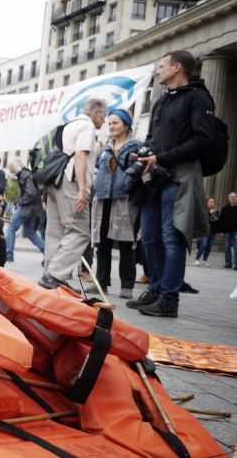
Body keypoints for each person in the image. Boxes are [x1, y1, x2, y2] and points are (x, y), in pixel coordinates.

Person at [127, 51, 213, 317]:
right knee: (150, 238)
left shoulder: (199, 98)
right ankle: (155, 290)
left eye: (161, 66)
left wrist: (160, 156)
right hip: (155, 178)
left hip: (179, 177)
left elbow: (203, 140)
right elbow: (154, 138)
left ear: (177, 68)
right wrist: (144, 151)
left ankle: (169, 299)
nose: (158, 71)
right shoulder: (162, 101)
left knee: (171, 238)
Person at [39, 98, 107, 292]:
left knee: (55, 231)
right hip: (70, 182)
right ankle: (54, 275)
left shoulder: (68, 126)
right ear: (96, 112)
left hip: (53, 182)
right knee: (80, 230)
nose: (104, 120)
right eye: (103, 115)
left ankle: (50, 276)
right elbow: (80, 157)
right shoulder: (86, 127)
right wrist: (83, 191)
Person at [90, 109, 142, 299]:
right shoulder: (104, 149)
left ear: (126, 125)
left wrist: (128, 182)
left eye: (116, 123)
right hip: (103, 200)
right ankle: (101, 282)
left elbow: (141, 169)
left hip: (125, 200)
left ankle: (127, 286)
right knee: (102, 244)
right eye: (110, 123)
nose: (111, 126)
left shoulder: (136, 146)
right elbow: (96, 170)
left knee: (127, 244)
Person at [5, 158, 45, 261]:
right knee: (29, 231)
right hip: (32, 209)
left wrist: (19, 201)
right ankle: (46, 251)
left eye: (10, 167)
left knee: (11, 227)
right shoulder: (25, 174)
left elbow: (30, 193)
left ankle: (9, 254)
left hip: (27, 208)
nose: (9, 169)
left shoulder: (24, 175)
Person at [193, 197, 219, 267]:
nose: (211, 203)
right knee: (204, 245)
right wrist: (210, 213)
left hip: (213, 231)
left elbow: (216, 220)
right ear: (207, 203)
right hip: (205, 231)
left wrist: (213, 212)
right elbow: (204, 219)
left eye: (213, 202)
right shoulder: (203, 210)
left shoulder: (215, 211)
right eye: (210, 202)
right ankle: (197, 259)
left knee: (209, 246)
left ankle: (204, 260)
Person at [221, 192, 237, 269]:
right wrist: (221, 231)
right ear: (228, 199)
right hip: (227, 231)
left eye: (234, 197)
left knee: (236, 247)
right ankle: (228, 263)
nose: (233, 198)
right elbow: (222, 221)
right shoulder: (224, 209)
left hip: (236, 231)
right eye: (231, 197)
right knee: (227, 247)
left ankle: (236, 265)